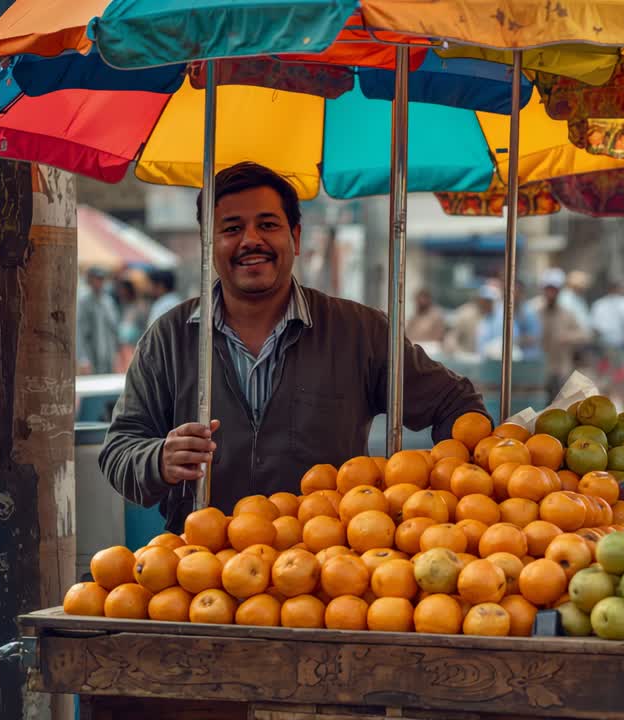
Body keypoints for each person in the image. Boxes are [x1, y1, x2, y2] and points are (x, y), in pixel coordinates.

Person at [99, 162, 486, 532]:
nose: (251, 240)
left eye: (268, 225)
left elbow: (457, 405)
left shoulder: (360, 332)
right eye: (231, 228)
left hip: (328, 573)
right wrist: (157, 460)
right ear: (207, 244)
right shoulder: (169, 338)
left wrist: (438, 488)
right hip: (201, 574)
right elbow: (118, 450)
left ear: (296, 238)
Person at [537, 269, 592, 401]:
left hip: (561, 368)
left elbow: (585, 334)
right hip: (539, 368)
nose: (550, 293)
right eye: (548, 289)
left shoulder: (567, 313)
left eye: (554, 290)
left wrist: (567, 337)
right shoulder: (535, 310)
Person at [589, 278, 624, 393]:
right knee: (622, 380)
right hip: (619, 347)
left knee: (606, 379)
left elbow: (595, 329)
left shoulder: (599, 304)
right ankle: (621, 407)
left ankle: (607, 405)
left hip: (604, 347)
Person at [76, 266, 120, 375]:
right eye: (96, 279)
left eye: (101, 279)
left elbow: (114, 329)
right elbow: (79, 331)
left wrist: (117, 354)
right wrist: (83, 358)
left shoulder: (108, 301)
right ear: (89, 280)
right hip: (90, 354)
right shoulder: (83, 302)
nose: (99, 282)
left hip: (108, 354)